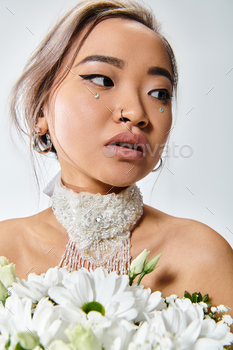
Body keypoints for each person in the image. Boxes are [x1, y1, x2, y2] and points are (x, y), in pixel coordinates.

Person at [0, 0, 232, 316]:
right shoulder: (5, 252)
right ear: (42, 110)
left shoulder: (203, 256)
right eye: (102, 79)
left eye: (159, 93)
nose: (136, 113)